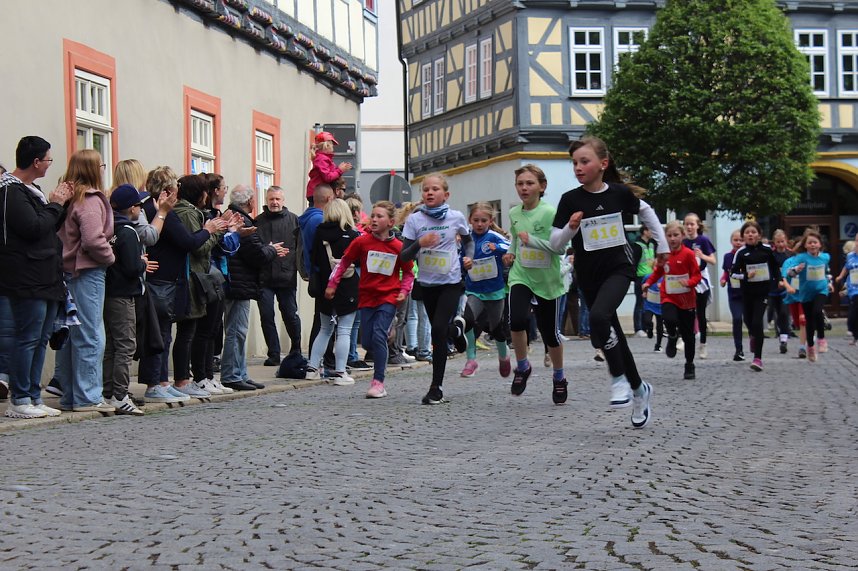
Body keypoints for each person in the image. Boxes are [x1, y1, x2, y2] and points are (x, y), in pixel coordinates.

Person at [550, 136, 668, 428]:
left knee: (600, 318)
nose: (578, 167)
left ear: (603, 164)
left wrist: (663, 246)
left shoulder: (618, 193)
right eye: (575, 162)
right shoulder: (570, 200)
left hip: (619, 268)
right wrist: (570, 228)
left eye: (584, 161)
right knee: (611, 334)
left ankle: (618, 379)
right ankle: (640, 390)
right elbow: (554, 243)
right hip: (588, 275)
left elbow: (647, 212)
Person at [138, 167, 226, 403]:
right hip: (162, 279)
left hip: (166, 278)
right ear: (168, 190)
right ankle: (156, 383)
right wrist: (208, 230)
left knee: (164, 333)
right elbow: (188, 242)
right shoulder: (161, 211)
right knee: (161, 335)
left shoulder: (158, 209)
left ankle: (162, 382)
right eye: (175, 188)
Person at [0, 136, 71, 419]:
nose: (49, 165)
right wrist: (55, 205)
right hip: (26, 276)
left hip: (45, 275)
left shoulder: (33, 190)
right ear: (36, 162)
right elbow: (33, 227)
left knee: (40, 338)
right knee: (27, 338)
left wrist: (59, 206)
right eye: (49, 160)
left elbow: (48, 226)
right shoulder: (11, 192)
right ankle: (19, 399)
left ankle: (32, 394)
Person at [326, 201, 415, 398]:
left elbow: (409, 273)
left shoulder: (398, 247)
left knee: (377, 337)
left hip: (388, 297)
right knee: (367, 342)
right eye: (372, 215)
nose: (373, 219)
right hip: (366, 296)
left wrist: (403, 291)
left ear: (391, 222)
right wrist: (333, 283)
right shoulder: (361, 242)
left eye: (379, 216)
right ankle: (387, 332)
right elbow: (345, 262)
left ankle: (378, 383)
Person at [52, 149, 116, 413]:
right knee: (91, 334)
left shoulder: (68, 199)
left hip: (67, 271)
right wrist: (110, 255)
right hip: (86, 271)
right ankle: (88, 396)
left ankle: (71, 395)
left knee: (71, 335)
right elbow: (92, 240)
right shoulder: (89, 200)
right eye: (101, 165)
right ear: (93, 169)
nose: (103, 168)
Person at [400, 173, 471, 405]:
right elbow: (403, 255)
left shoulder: (456, 217)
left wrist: (468, 258)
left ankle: (436, 387)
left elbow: (468, 241)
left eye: (435, 189)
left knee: (438, 329)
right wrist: (419, 243)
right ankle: (457, 333)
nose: (429, 193)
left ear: (446, 194)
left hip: (451, 282)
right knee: (440, 333)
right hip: (428, 284)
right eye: (426, 190)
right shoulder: (415, 220)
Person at [501, 166, 568, 403]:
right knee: (516, 320)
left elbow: (560, 248)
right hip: (521, 275)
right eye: (520, 183)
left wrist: (534, 241)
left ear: (542, 186)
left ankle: (559, 377)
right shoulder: (514, 213)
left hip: (547, 280)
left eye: (529, 183)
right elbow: (515, 241)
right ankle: (522, 366)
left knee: (550, 334)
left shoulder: (549, 213)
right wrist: (510, 253)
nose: (524, 188)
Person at [171, 174, 232, 398]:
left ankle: (203, 377)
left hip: (200, 276)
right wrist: (215, 230)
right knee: (190, 332)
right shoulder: (187, 213)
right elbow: (199, 246)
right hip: (193, 276)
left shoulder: (191, 212)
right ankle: (186, 379)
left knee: (204, 330)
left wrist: (218, 229)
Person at [222, 185, 287, 390]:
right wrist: (271, 250)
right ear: (250, 201)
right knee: (236, 331)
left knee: (238, 330)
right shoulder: (242, 220)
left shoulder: (234, 216)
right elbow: (256, 254)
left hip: (239, 281)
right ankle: (232, 374)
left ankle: (240, 372)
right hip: (238, 282)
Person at [103, 184, 151, 415]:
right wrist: (142, 262)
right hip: (124, 294)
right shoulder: (129, 232)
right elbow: (132, 267)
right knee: (126, 344)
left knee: (113, 344)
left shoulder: (110, 227)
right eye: (139, 206)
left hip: (110, 291)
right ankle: (120, 394)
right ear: (132, 208)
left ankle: (109, 390)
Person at [306, 198, 360, 385]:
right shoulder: (352, 235)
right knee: (344, 330)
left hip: (324, 287)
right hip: (347, 286)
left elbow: (314, 261)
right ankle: (340, 372)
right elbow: (361, 262)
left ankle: (312, 368)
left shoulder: (319, 233)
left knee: (324, 329)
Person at [643, 221, 701, 380]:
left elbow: (697, 275)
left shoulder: (689, 254)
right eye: (669, 235)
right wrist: (648, 283)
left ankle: (689, 364)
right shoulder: (664, 254)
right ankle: (673, 336)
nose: (673, 238)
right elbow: (658, 272)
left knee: (689, 335)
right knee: (668, 318)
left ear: (682, 236)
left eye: (676, 235)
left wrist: (689, 283)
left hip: (687, 299)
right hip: (669, 296)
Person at [460, 202, 511, 378]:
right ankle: (471, 360)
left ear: (491, 220)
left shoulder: (495, 237)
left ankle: (504, 356)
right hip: (474, 289)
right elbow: (459, 257)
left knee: (496, 328)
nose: (479, 224)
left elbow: (511, 247)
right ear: (470, 220)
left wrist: (497, 249)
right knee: (468, 320)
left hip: (495, 290)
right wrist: (464, 263)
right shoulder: (466, 239)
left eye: (483, 220)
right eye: (476, 220)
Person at [255, 185, 301, 365]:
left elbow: (300, 248)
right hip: (264, 276)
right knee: (266, 315)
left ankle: (296, 347)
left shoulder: (294, 221)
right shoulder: (258, 222)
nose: (274, 202)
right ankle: (273, 353)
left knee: (290, 314)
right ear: (266, 200)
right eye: (271, 199)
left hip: (287, 275)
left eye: (277, 199)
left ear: (283, 200)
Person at [729, 220, 782, 371]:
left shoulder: (766, 250)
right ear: (743, 236)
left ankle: (757, 358)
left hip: (763, 292)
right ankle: (753, 335)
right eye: (747, 232)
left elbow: (775, 266)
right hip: (747, 293)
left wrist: (779, 280)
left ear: (759, 234)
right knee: (749, 320)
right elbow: (732, 272)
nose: (750, 235)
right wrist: (745, 275)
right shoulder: (741, 252)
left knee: (758, 322)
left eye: (753, 232)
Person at [785, 228, 832, 362]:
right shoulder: (801, 258)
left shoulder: (825, 257)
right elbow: (789, 273)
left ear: (820, 245)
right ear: (805, 245)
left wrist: (830, 282)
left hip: (821, 290)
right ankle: (810, 346)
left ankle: (822, 339)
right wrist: (796, 270)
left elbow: (827, 272)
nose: (812, 245)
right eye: (810, 243)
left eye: (815, 242)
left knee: (818, 311)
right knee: (809, 321)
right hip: (806, 294)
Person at [683, 213, 716, 359]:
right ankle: (682, 337)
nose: (689, 227)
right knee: (685, 310)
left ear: (697, 225)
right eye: (687, 224)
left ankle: (703, 344)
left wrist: (702, 256)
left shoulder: (703, 240)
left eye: (692, 224)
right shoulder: (683, 242)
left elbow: (713, 261)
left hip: (701, 277)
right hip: (686, 278)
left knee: (700, 313)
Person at [719, 229, 746, 361]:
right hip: (734, 293)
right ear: (731, 242)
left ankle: (754, 340)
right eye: (736, 240)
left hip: (747, 293)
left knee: (749, 320)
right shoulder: (728, 257)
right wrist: (723, 279)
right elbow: (726, 272)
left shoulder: (748, 255)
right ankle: (738, 349)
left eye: (741, 240)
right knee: (736, 319)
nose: (738, 243)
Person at [306, 131, 352, 207]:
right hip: (319, 193)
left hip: (319, 192)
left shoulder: (323, 158)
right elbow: (327, 177)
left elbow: (328, 174)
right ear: (326, 146)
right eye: (332, 145)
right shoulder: (321, 159)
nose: (333, 148)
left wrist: (339, 169)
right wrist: (340, 170)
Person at [770, 229, 794, 354]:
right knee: (776, 313)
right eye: (778, 242)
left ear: (786, 241)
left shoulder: (790, 255)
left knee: (784, 313)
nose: (780, 244)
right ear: (774, 242)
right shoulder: (771, 255)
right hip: (773, 289)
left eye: (782, 241)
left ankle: (784, 339)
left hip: (786, 288)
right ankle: (779, 332)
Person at [633, 225, 657, 337]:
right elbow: (634, 263)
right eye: (650, 230)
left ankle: (646, 327)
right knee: (640, 303)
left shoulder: (652, 244)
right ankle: (638, 328)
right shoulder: (637, 245)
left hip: (651, 277)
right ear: (644, 231)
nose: (652, 232)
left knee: (649, 304)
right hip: (640, 277)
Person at [835, 240, 858, 345]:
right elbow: (846, 267)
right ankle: (855, 336)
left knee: (853, 315)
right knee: (853, 317)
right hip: (853, 289)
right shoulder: (850, 256)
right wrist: (840, 276)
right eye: (857, 240)